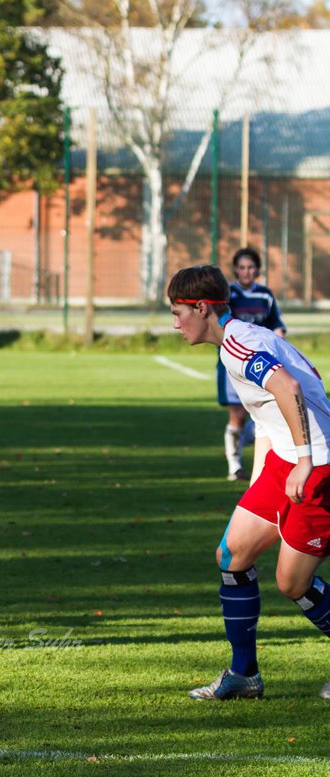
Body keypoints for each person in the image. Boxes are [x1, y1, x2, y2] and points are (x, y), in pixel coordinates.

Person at [169, 264, 330, 701]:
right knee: (231, 554)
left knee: (292, 585)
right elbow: (267, 417)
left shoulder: (239, 344)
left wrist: (304, 461)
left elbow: (288, 387)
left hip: (318, 466)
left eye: (177, 311)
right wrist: (262, 483)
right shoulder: (235, 342)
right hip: (287, 460)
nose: (175, 322)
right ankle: (245, 676)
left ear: (201, 307)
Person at [218, 247, 285, 482]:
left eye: (251, 267)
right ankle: (234, 465)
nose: (246, 271)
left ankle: (257, 459)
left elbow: (276, 323)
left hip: (261, 364)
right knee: (237, 414)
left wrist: (280, 343)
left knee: (262, 413)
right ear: (236, 269)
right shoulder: (228, 295)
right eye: (242, 267)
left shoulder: (265, 295)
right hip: (234, 363)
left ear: (257, 270)